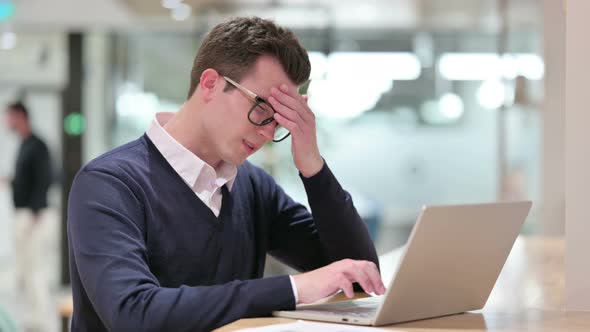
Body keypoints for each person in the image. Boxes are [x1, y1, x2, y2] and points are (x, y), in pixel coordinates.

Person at [67, 16, 385, 332]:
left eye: (281, 119)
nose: (267, 132)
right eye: (261, 108)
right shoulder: (108, 185)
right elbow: (134, 314)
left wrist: (312, 166)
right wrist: (293, 289)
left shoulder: (253, 186)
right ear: (210, 84)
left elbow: (359, 277)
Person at [5, 101, 52, 332]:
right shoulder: (24, 144)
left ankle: (41, 320)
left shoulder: (38, 145)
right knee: (24, 269)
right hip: (22, 214)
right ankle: (31, 319)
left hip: (33, 216)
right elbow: (26, 179)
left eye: (10, 117)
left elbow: (44, 179)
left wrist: (35, 212)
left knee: (35, 269)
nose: (7, 122)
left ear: (20, 116)